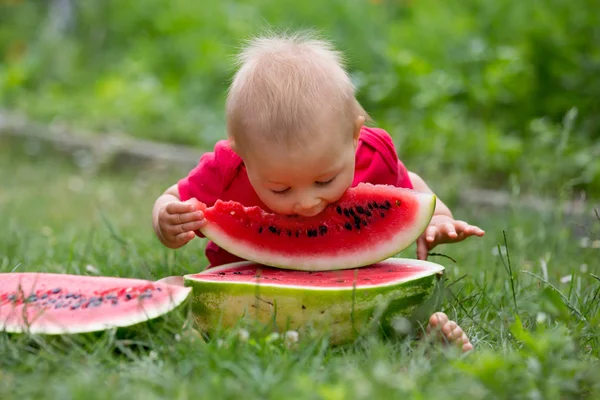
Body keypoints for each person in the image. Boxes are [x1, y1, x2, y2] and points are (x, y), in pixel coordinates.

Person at [152, 33, 484, 352]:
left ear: (355, 136)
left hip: (354, 294)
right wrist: (167, 219)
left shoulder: (371, 155)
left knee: (402, 309)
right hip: (247, 298)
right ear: (242, 155)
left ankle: (428, 338)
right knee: (172, 290)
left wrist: (438, 219)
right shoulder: (227, 168)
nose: (307, 202)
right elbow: (171, 197)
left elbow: (414, 192)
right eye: (279, 188)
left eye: (325, 181)